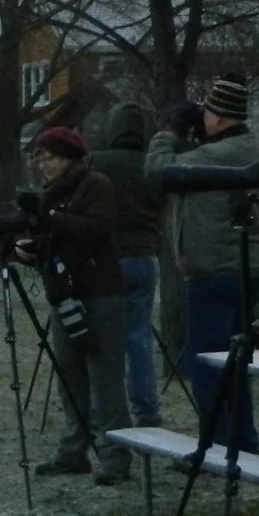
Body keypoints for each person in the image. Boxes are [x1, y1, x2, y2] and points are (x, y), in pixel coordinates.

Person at [147, 73, 259, 452]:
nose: (202, 118)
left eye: (207, 112)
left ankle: (215, 447)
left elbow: (159, 171)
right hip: (241, 268)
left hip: (215, 270)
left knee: (209, 365)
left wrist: (169, 130)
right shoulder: (250, 148)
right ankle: (241, 443)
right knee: (234, 365)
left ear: (220, 116)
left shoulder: (222, 154)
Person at [17, 126, 134, 483]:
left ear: (69, 157)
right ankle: (73, 452)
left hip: (100, 292)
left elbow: (97, 230)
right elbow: (57, 240)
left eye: (49, 158)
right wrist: (33, 249)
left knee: (105, 377)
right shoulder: (49, 194)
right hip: (65, 294)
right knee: (69, 375)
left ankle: (115, 458)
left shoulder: (96, 185)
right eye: (39, 160)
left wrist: (49, 220)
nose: (44, 166)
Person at [97, 102, 169, 425]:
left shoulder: (96, 164)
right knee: (139, 337)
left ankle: (105, 410)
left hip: (106, 259)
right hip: (144, 255)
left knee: (103, 339)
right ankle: (147, 408)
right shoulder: (152, 166)